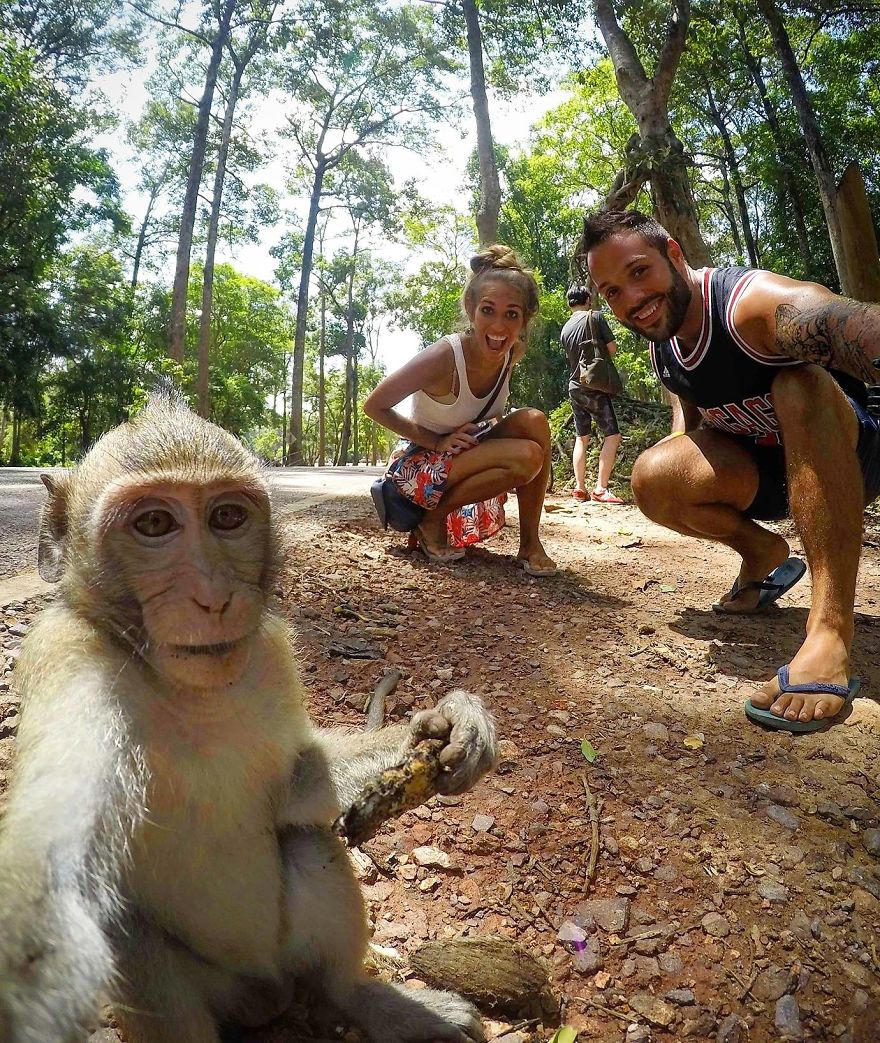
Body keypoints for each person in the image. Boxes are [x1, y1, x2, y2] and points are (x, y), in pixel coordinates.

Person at [576, 207, 880, 732]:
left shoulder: (749, 306)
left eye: (639, 272)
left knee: (796, 384)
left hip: (857, 458)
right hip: (774, 476)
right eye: (612, 292)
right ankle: (762, 552)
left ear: (674, 255)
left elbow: (837, 322)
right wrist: (677, 480)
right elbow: (695, 416)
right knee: (652, 474)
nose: (631, 300)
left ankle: (830, 631)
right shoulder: (665, 342)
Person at [363, 245, 557, 577]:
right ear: (471, 309)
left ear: (525, 318)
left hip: (466, 454)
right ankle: (433, 518)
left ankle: (530, 543)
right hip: (419, 467)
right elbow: (374, 406)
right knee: (526, 456)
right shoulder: (443, 356)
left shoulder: (513, 352)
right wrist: (436, 442)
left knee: (535, 422)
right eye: (488, 310)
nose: (499, 326)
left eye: (512, 314)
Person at [561, 286, 625, 504]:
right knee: (612, 436)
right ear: (588, 299)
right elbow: (613, 348)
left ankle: (580, 488)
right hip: (593, 385)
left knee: (582, 437)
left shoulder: (565, 328)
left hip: (574, 386)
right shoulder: (595, 317)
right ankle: (601, 488)